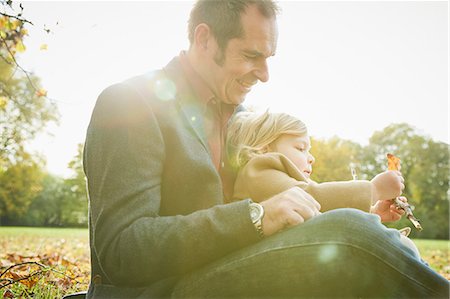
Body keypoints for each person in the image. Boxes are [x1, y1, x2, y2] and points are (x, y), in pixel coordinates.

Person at [83, 0, 449, 298]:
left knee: (363, 232)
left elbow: (295, 193)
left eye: (268, 58)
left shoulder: (243, 119)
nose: (264, 74)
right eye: (250, 55)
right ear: (205, 39)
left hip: (227, 267)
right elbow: (121, 250)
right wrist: (256, 217)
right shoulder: (131, 103)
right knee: (351, 234)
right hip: (160, 290)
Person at [227, 110, 422, 259]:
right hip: (271, 265)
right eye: (301, 148)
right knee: (401, 248)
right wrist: (374, 189)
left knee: (402, 246)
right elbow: (314, 197)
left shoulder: (282, 180)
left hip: (292, 259)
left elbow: (322, 214)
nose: (311, 158)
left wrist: (373, 212)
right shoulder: (258, 171)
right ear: (264, 148)